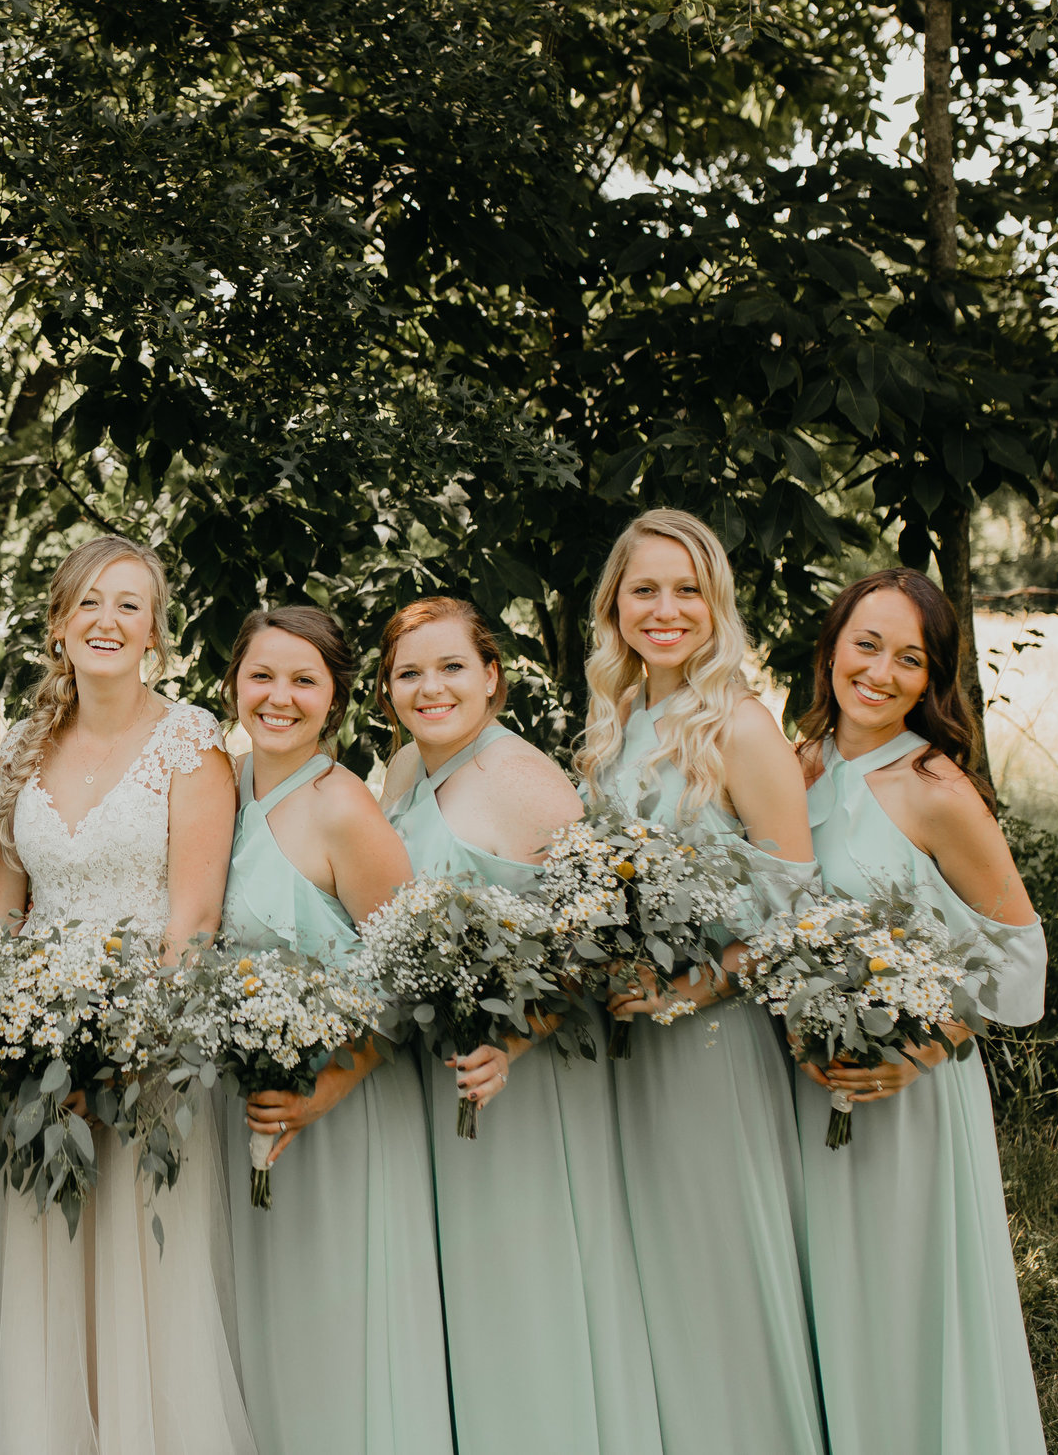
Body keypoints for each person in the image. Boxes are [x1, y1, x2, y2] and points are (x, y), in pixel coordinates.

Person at [0, 535, 255, 1455]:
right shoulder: (22, 746)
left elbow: (195, 917)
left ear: (155, 633)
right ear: (59, 625)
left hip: (150, 1056)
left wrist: (124, 1042)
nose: (107, 620)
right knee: (48, 1267)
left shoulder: (192, 743)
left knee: (146, 1279)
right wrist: (29, 1035)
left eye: (129, 605)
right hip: (37, 1063)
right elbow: (1, 912)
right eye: (89, 603)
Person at [377, 597, 663, 1453]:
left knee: (524, 1293)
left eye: (452, 666)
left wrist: (516, 1038)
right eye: (409, 672)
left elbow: (604, 934)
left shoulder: (522, 777)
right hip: (439, 1075)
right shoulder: (399, 773)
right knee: (462, 1295)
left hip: (522, 1078)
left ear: (493, 675)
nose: (431, 687)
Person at [575, 508, 825, 1455]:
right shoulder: (617, 720)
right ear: (616, 604)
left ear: (716, 604)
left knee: (722, 1265)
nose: (665, 608)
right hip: (627, 1043)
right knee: (657, 1273)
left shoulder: (741, 725)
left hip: (715, 1043)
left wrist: (696, 990)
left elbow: (797, 902)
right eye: (645, 588)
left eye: (687, 589)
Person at [790, 568, 1050, 1455]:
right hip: (799, 1086)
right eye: (866, 644)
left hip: (908, 1095)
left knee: (903, 1305)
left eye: (911, 658)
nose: (880, 671)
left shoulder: (937, 789)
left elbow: (1018, 955)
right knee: (824, 1302)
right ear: (831, 648)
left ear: (931, 680)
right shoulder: (797, 764)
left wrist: (922, 1051)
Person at [218, 604, 450, 1455]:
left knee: (339, 1335)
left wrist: (326, 1088)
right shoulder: (219, 787)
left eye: (303, 680)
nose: (279, 697)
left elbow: (408, 977)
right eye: (262, 676)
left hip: (340, 1109)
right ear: (232, 684)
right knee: (255, 1338)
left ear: (336, 699)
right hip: (238, 1104)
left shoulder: (344, 805)